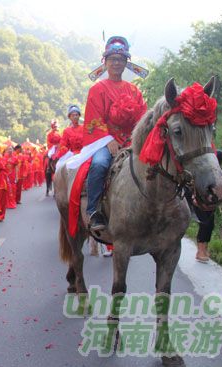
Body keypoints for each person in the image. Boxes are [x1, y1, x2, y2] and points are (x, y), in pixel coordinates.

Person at [82, 36, 147, 232]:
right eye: (112, 59)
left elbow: (143, 118)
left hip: (130, 141)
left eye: (120, 59)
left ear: (126, 62)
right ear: (106, 62)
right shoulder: (97, 89)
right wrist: (108, 139)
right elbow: (94, 119)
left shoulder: (134, 90)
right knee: (100, 164)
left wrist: (137, 139)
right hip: (105, 142)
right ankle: (93, 210)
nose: (116, 63)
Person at [193, 150, 222, 262]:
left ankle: (204, 249)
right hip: (201, 202)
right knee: (204, 225)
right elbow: (195, 186)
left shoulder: (218, 172)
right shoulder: (203, 172)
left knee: (210, 225)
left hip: (211, 204)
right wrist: (195, 199)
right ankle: (200, 251)